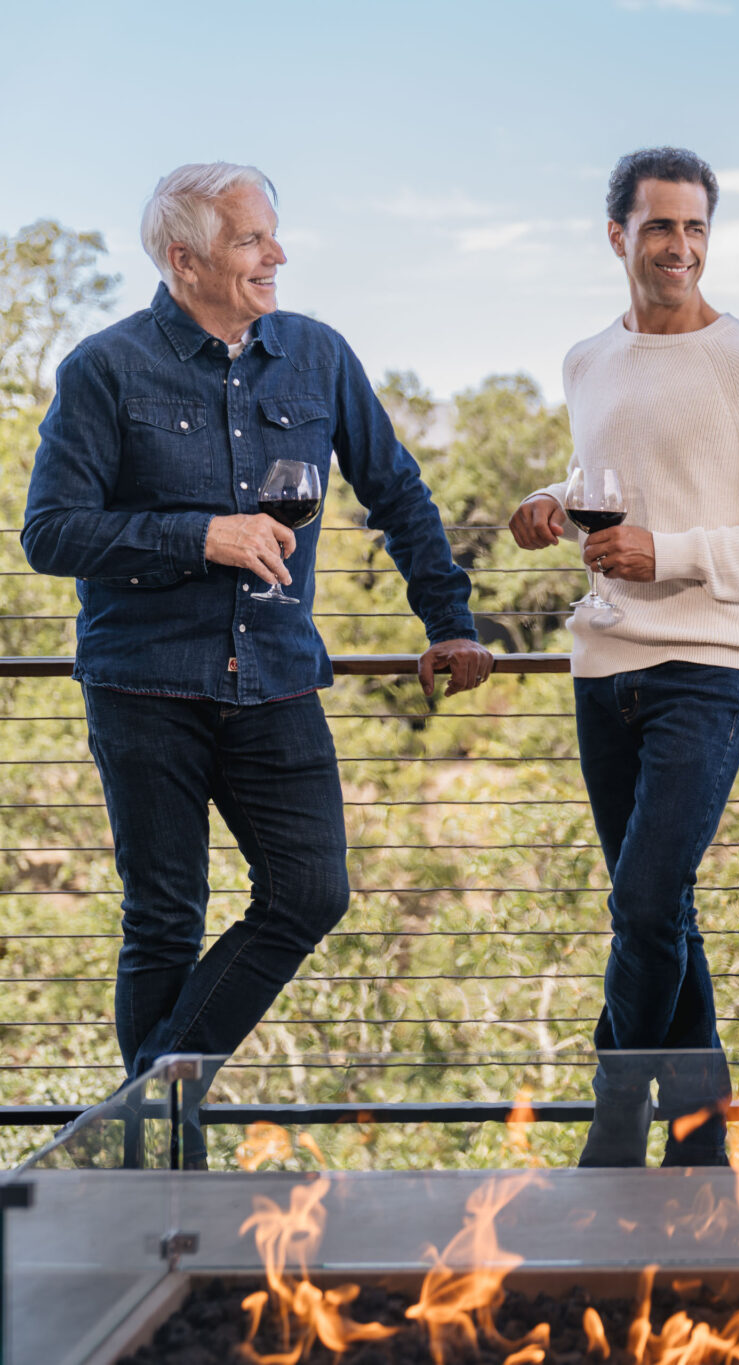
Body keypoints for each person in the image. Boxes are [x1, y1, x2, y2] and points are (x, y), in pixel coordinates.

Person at [22, 163, 492, 1101]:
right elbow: (51, 532)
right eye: (251, 240)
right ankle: (165, 1152)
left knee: (311, 891)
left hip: (275, 678)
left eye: (272, 233)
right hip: (143, 684)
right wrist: (200, 535)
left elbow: (398, 494)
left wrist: (450, 620)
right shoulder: (104, 368)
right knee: (164, 918)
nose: (278, 254)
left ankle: (144, 1108)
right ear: (183, 259)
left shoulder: (318, 355)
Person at [510, 146, 739, 1167]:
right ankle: (698, 1148)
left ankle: (612, 1128)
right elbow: (614, 474)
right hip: (604, 665)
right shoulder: (586, 359)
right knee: (659, 916)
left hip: (710, 665)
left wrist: (675, 553)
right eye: (660, 226)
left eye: (695, 227)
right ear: (618, 235)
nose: (680, 246)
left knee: (644, 901)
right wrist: (555, 502)